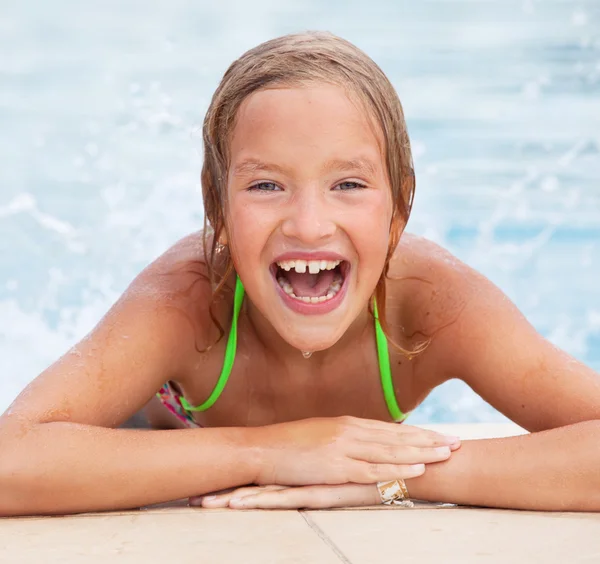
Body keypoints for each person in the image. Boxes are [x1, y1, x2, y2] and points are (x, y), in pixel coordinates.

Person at [2, 31, 599, 517]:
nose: (310, 225)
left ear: (400, 209)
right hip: (150, 437)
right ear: (218, 210)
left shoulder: (432, 306)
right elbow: (13, 460)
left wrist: (397, 477)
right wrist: (271, 451)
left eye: (349, 185)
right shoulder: (189, 300)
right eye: (266, 185)